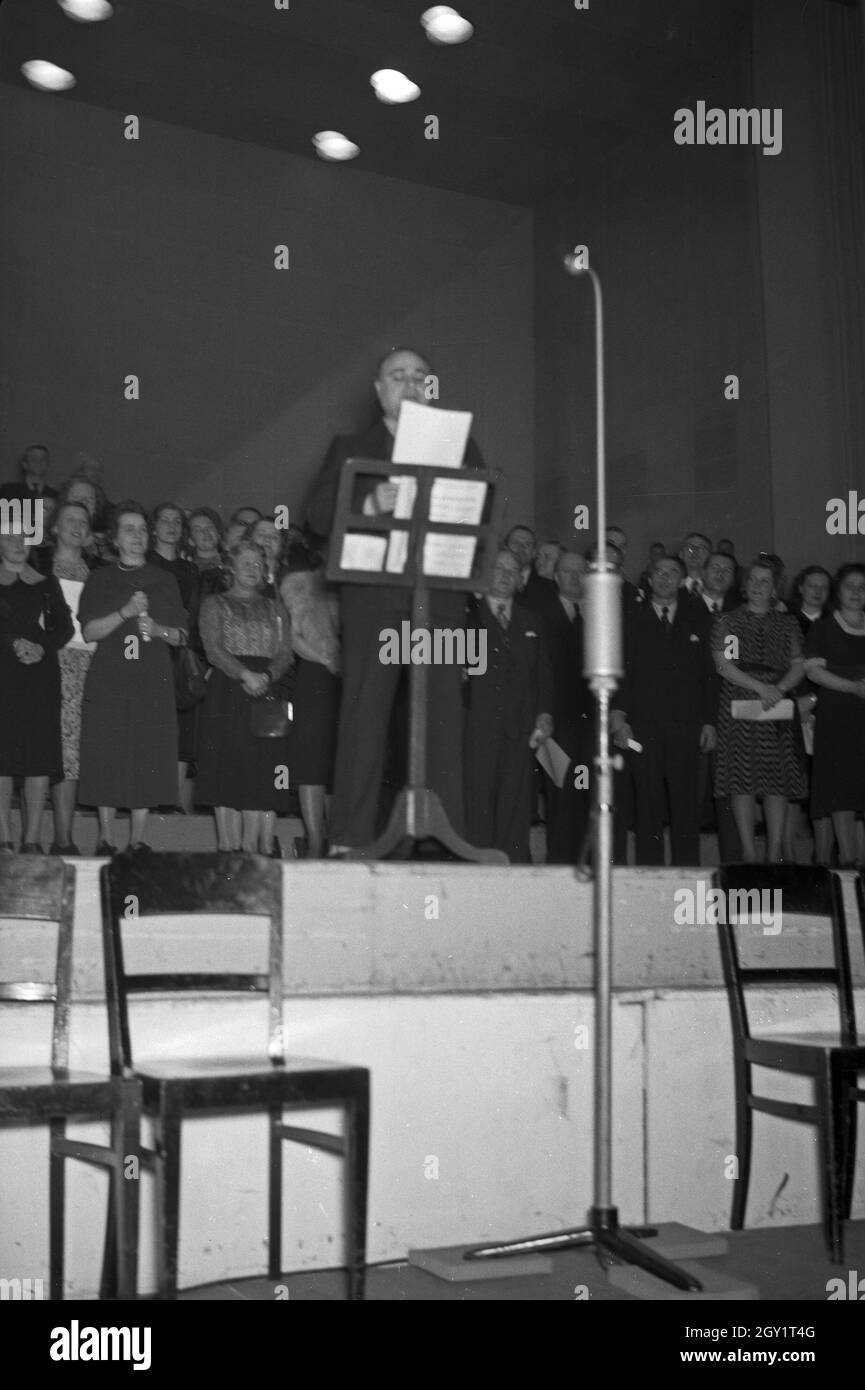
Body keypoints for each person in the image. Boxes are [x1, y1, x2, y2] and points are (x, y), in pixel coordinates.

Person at [305, 345, 483, 854]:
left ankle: (446, 839)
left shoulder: (464, 445)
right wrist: (366, 498)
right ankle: (349, 837)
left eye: (420, 375)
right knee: (366, 714)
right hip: (375, 603)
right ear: (379, 390)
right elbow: (317, 516)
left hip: (441, 601)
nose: (409, 383)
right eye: (397, 375)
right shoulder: (350, 447)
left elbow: (484, 510)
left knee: (444, 717)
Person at [78, 502, 188, 854]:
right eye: (129, 529)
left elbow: (183, 636)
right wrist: (124, 612)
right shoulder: (100, 578)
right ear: (114, 537)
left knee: (148, 754)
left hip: (151, 680)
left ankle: (138, 838)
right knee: (106, 752)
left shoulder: (165, 580)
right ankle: (106, 837)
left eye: (142, 529)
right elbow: (91, 631)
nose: (138, 536)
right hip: (110, 680)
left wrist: (159, 630)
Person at [612, 556, 715, 866]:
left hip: (686, 727)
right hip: (643, 727)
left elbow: (708, 675)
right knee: (648, 805)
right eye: (659, 571)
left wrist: (710, 722)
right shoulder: (630, 617)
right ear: (649, 577)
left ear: (682, 580)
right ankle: (649, 876)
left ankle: (687, 875)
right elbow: (620, 672)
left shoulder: (699, 618)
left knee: (685, 805)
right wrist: (619, 718)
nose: (665, 578)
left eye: (673, 573)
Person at [195, 540, 293, 855]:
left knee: (261, 770)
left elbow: (285, 653)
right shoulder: (214, 604)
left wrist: (267, 676)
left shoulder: (276, 607)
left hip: (267, 691)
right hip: (228, 689)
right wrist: (244, 674)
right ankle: (228, 848)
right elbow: (213, 648)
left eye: (258, 564)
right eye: (246, 562)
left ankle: (254, 850)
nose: (253, 569)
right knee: (226, 767)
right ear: (231, 567)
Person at [711, 560, 807, 862]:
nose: (757, 585)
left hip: (777, 704)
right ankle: (750, 854)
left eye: (764, 581)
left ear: (775, 587)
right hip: (741, 702)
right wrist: (760, 688)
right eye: (752, 579)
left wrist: (778, 689)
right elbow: (723, 665)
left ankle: (776, 852)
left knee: (776, 782)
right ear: (744, 584)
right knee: (743, 781)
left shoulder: (788, 624)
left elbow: (798, 664)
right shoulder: (728, 621)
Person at [463, 549, 554, 862]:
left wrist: (544, 715)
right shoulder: (465, 618)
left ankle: (512, 868)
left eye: (511, 570)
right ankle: (478, 866)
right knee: (478, 800)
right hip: (476, 727)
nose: (503, 574)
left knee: (515, 802)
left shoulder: (533, 621)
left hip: (520, 728)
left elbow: (543, 673)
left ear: (520, 580)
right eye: (496, 567)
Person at [0, 530, 73, 852]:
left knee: (38, 756)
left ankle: (31, 840)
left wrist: (42, 647)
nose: (18, 544)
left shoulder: (47, 582)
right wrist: (12, 642)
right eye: (9, 538)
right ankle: (3, 837)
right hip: (4, 671)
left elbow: (65, 627)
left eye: (23, 538)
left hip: (40, 674)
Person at [279, 537, 341, 858]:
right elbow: (292, 637)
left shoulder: (343, 585)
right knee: (312, 761)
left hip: (345, 680)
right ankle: (316, 839)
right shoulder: (297, 582)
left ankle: (336, 839)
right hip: (316, 677)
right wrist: (326, 659)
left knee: (337, 760)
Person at [804, 564, 865, 868]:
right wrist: (852, 687)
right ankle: (849, 865)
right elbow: (813, 670)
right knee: (841, 792)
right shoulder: (824, 628)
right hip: (837, 718)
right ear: (838, 592)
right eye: (849, 586)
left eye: (862, 587)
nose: (856, 592)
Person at [48, 501, 97, 853]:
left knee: (76, 753)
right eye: (70, 520)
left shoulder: (98, 572)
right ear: (54, 527)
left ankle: (65, 836)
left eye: (83, 521)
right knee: (56, 751)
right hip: (49, 664)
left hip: (88, 668)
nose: (77, 526)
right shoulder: (40, 567)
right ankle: (60, 837)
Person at [540, 550, 593, 864]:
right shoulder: (538, 613)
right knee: (559, 792)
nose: (574, 577)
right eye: (567, 571)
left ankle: (589, 861)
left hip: (591, 722)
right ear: (555, 576)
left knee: (590, 790)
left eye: (580, 572)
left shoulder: (602, 615)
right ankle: (559, 863)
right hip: (555, 720)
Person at [148, 503, 202, 813]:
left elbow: (193, 615)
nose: (171, 526)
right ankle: (152, 794)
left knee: (183, 726)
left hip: (181, 651)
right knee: (153, 724)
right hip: (152, 648)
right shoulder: (145, 564)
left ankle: (174, 799)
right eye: (164, 520)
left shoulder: (190, 569)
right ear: (153, 528)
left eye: (177, 521)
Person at [506, 525, 558, 616]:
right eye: (515, 543)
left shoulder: (550, 587)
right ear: (505, 547)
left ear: (534, 552)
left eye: (527, 544)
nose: (521, 548)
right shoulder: (490, 579)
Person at [678, 532, 712, 598]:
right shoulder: (669, 585)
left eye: (701, 549)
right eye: (690, 548)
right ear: (681, 554)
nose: (695, 552)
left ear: (710, 557)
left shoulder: (717, 587)